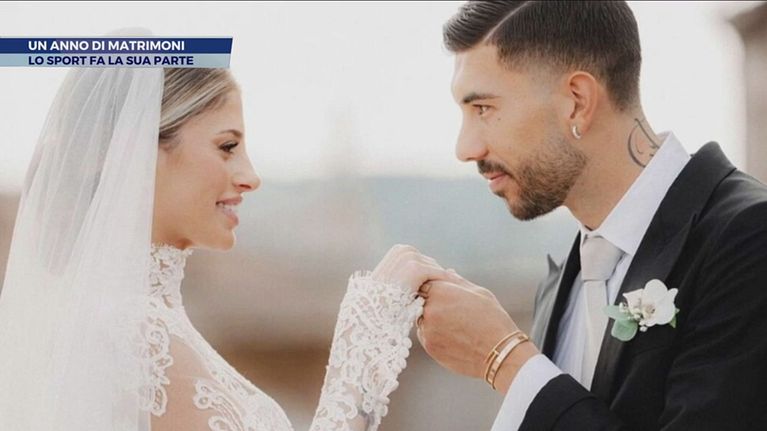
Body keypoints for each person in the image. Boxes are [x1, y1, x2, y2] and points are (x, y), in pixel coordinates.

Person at [0, 64, 448, 430]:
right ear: (136, 151)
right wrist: (367, 332)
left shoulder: (141, 317)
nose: (251, 176)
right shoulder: (126, 329)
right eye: (227, 146)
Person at [398, 1, 767, 430]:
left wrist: (505, 359)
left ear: (576, 101)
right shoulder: (560, 284)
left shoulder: (749, 239)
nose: (466, 148)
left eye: (484, 109)